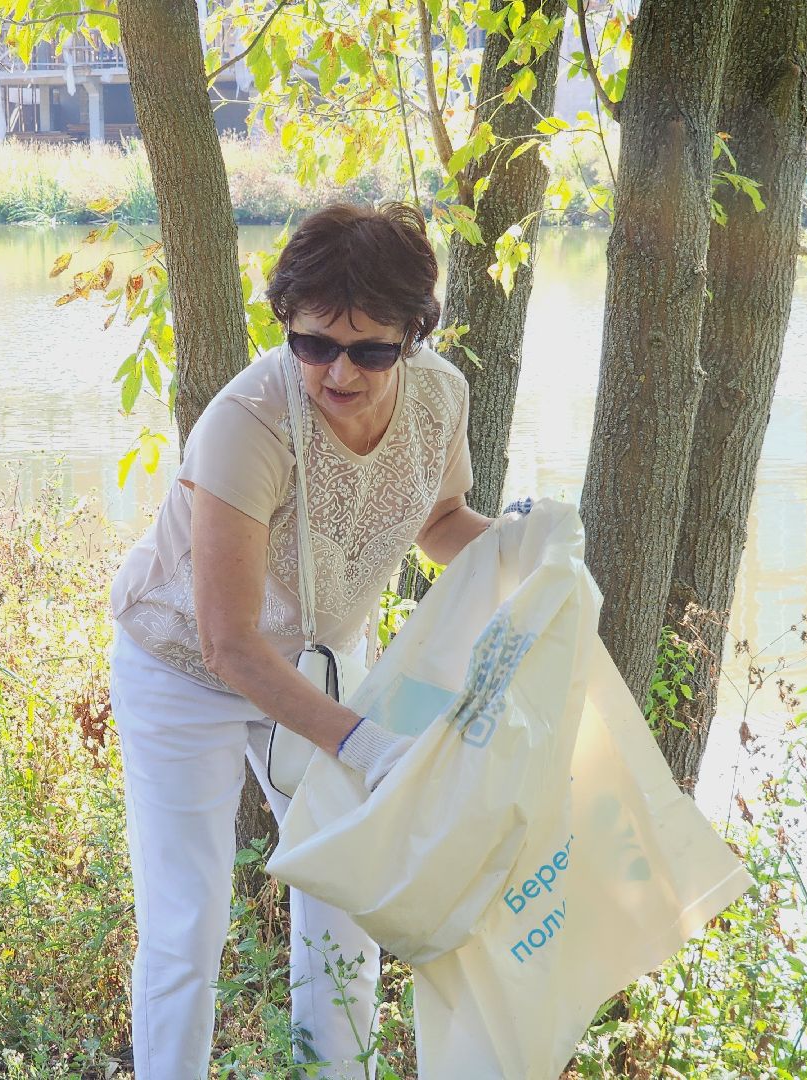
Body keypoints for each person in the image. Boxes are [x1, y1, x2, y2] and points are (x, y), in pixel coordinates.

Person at [108, 202, 494, 1079]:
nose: (339, 371)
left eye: (371, 351)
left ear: (413, 335)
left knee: (349, 893)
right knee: (187, 924)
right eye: (314, 343)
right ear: (287, 323)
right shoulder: (248, 422)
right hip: (187, 668)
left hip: (315, 660)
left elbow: (438, 522)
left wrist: (520, 549)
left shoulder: (440, 397)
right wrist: (367, 746)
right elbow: (229, 645)